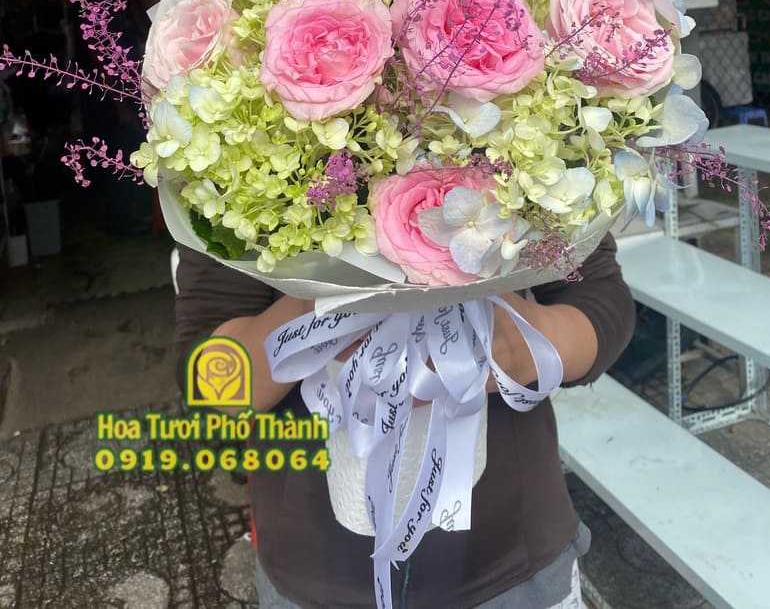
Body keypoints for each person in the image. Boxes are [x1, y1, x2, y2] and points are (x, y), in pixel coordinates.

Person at [174, 233, 635, 609]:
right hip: (312, 566)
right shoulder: (231, 166)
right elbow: (207, 376)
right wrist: (333, 285)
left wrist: (516, 348)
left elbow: (601, 302)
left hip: (512, 554)